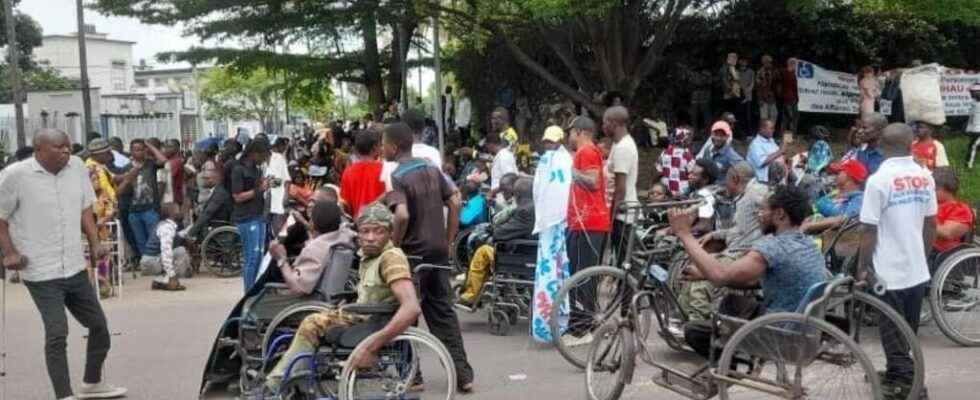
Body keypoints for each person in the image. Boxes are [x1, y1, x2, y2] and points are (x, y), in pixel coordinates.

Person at [0, 129, 127, 400]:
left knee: (99, 326)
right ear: (40, 150)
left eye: (68, 146)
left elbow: (85, 209)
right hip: (40, 269)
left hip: (73, 264)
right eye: (60, 147)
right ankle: (64, 395)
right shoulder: (15, 176)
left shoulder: (78, 168)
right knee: (58, 333)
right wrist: (9, 253)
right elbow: (0, 217)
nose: (67, 152)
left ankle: (92, 383)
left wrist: (94, 243)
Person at [265, 203, 421, 393]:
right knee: (314, 320)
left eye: (378, 231)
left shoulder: (391, 258)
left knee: (311, 323)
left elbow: (411, 308)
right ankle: (295, 383)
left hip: (373, 322)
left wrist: (371, 347)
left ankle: (274, 386)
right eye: (365, 231)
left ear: (390, 233)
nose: (370, 238)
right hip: (364, 315)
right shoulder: (371, 255)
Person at [671, 185, 827, 360]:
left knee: (693, 331)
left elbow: (720, 275)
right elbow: (755, 280)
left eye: (762, 210)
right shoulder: (808, 244)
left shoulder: (773, 247)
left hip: (779, 332)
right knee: (731, 302)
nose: (758, 215)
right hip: (803, 326)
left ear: (780, 214)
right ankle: (728, 350)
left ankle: (730, 367)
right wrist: (704, 274)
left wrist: (684, 233)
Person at [383, 122, 474, 392]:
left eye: (384, 144)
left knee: (404, 313)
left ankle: (413, 376)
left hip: (412, 255)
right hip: (437, 253)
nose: (382, 149)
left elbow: (401, 215)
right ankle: (464, 376)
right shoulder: (432, 169)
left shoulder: (397, 175)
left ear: (394, 146)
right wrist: (447, 240)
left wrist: (394, 246)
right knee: (443, 314)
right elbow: (455, 201)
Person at [858, 123, 936, 399]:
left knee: (891, 329)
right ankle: (896, 372)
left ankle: (908, 384)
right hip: (916, 269)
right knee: (908, 329)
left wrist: (862, 269)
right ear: (910, 144)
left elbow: (869, 230)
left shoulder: (878, 181)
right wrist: (922, 258)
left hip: (888, 272)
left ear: (881, 145)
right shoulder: (925, 176)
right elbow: (930, 224)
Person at [679, 162, 768, 322]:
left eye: (726, 179)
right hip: (734, 249)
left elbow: (774, 204)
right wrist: (715, 234)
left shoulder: (756, 192)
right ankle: (683, 320)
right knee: (691, 273)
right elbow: (739, 230)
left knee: (702, 282)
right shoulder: (744, 197)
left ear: (734, 178)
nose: (724, 184)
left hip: (742, 254)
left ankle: (699, 325)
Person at [562, 116, 611, 344]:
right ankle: (582, 325)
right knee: (581, 276)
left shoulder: (587, 152)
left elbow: (592, 181)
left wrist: (572, 172)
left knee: (582, 278)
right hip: (583, 223)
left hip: (588, 223)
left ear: (580, 132)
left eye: (570, 132)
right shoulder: (586, 153)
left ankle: (582, 330)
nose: (568, 137)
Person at [456, 177, 535, 309]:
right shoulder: (535, 207)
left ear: (517, 194)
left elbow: (500, 234)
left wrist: (495, 229)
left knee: (482, 252)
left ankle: (470, 296)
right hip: (526, 253)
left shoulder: (524, 210)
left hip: (518, 258)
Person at [531, 126, 573, 343]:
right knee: (558, 271)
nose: (549, 145)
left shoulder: (551, 161)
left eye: (552, 141)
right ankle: (556, 320)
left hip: (552, 225)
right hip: (555, 224)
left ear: (560, 140)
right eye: (546, 141)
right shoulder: (563, 160)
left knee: (553, 273)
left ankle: (550, 322)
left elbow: (538, 191)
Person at [268, 199, 355, 296]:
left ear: (313, 222)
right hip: (330, 296)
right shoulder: (343, 237)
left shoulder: (317, 248)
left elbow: (298, 289)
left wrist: (281, 259)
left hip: (308, 300)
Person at [232, 139, 271, 292]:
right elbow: (237, 196)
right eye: (263, 155)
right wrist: (260, 189)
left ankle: (254, 289)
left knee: (259, 256)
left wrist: (265, 184)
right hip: (246, 218)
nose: (264, 159)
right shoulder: (238, 169)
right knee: (251, 258)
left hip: (258, 216)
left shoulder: (256, 169)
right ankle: (249, 292)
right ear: (254, 153)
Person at [605, 106, 639, 264]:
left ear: (613, 124)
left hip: (622, 216)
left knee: (624, 262)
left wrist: (611, 217)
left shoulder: (623, 148)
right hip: (620, 214)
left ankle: (628, 289)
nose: (603, 127)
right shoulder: (618, 145)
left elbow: (620, 188)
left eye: (605, 122)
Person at [116, 139, 161, 260]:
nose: (139, 152)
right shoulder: (126, 168)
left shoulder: (150, 164)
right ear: (131, 151)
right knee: (140, 240)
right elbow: (118, 187)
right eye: (136, 150)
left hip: (150, 209)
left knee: (154, 238)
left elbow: (163, 161)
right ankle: (146, 263)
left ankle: (156, 262)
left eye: (142, 149)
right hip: (133, 210)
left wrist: (150, 145)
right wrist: (128, 177)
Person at [802, 159, 867, 234]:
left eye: (839, 172)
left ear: (849, 176)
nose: (835, 175)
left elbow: (845, 219)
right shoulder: (835, 192)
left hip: (826, 238)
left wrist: (810, 225)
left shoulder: (859, 198)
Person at [140, 202, 189, 291]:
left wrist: (190, 230)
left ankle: (160, 280)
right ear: (172, 213)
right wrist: (172, 274)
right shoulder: (166, 227)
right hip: (151, 262)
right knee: (180, 251)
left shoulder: (165, 224)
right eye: (178, 210)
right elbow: (166, 252)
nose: (180, 212)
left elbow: (176, 236)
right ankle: (169, 281)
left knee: (177, 251)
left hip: (151, 260)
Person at [340, 130, 387, 218]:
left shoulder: (348, 172)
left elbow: (346, 204)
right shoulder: (384, 169)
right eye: (380, 145)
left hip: (359, 224)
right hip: (381, 222)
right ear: (375, 147)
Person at [931, 168, 974, 256]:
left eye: (934, 188)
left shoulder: (960, 209)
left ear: (947, 188)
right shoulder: (929, 204)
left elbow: (947, 233)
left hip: (939, 253)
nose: (930, 190)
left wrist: (919, 223)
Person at [182, 170, 232, 240]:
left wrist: (191, 232)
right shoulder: (214, 191)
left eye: (207, 178)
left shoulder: (220, 193)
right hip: (212, 224)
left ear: (215, 179)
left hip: (217, 225)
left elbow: (208, 213)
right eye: (203, 178)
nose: (204, 180)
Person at [654, 126, 695, 197]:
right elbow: (693, 173)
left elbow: (658, 169)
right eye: (689, 139)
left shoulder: (664, 153)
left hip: (666, 191)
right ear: (684, 140)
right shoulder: (688, 156)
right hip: (681, 193)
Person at [267, 137, 293, 235]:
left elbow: (284, 180)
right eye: (284, 146)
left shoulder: (279, 158)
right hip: (271, 195)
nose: (285, 149)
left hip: (276, 195)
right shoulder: (276, 157)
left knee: (277, 225)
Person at [485, 132, 518, 206]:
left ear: (491, 144)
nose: (487, 148)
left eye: (487, 145)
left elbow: (509, 180)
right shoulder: (501, 155)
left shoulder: (503, 156)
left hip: (505, 200)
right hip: (500, 198)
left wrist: (492, 192)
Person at [756, 54, 779, 123]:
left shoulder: (775, 71)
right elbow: (758, 87)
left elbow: (778, 83)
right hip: (763, 98)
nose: (768, 63)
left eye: (769, 62)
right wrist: (759, 99)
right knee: (764, 117)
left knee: (774, 115)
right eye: (766, 62)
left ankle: (771, 131)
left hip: (773, 98)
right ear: (763, 62)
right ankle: (764, 133)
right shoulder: (760, 72)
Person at [779, 57, 799, 134]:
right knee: (789, 117)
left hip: (793, 98)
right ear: (791, 64)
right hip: (787, 98)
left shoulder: (793, 73)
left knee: (792, 117)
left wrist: (797, 98)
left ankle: (790, 135)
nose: (796, 66)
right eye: (795, 64)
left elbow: (795, 87)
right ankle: (787, 135)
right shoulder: (785, 73)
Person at [737, 57, 755, 135]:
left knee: (748, 115)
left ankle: (749, 133)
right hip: (739, 95)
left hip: (748, 96)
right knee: (740, 115)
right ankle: (741, 133)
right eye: (742, 61)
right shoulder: (736, 72)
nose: (743, 63)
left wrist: (747, 93)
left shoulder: (751, 72)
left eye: (745, 61)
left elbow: (752, 83)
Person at [966, 83, 980, 168]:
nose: (972, 94)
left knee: (973, 146)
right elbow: (971, 118)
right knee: (973, 146)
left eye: (974, 92)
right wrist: (968, 129)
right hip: (976, 130)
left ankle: (968, 166)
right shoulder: (973, 103)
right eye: (971, 92)